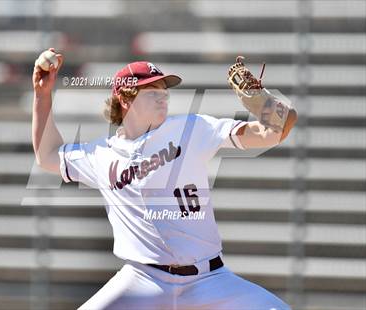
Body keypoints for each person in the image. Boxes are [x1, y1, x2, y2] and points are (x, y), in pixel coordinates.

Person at [32, 48, 297, 310]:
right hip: (143, 280)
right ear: (125, 99)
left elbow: (273, 132)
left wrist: (262, 102)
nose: (163, 98)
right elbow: (48, 156)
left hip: (208, 280)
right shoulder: (100, 155)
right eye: (152, 92)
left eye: (164, 92)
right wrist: (42, 95)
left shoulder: (191, 129)